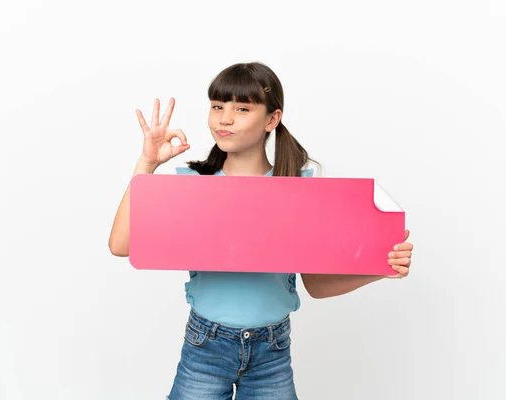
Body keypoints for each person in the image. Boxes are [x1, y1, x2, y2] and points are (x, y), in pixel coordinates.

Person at [108, 61, 414, 400]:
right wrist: (147, 164)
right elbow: (121, 244)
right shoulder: (194, 185)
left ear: (272, 119)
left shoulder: (300, 190)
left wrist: (381, 269)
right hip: (205, 347)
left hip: (272, 353)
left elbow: (317, 285)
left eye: (242, 108)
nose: (224, 118)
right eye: (217, 106)